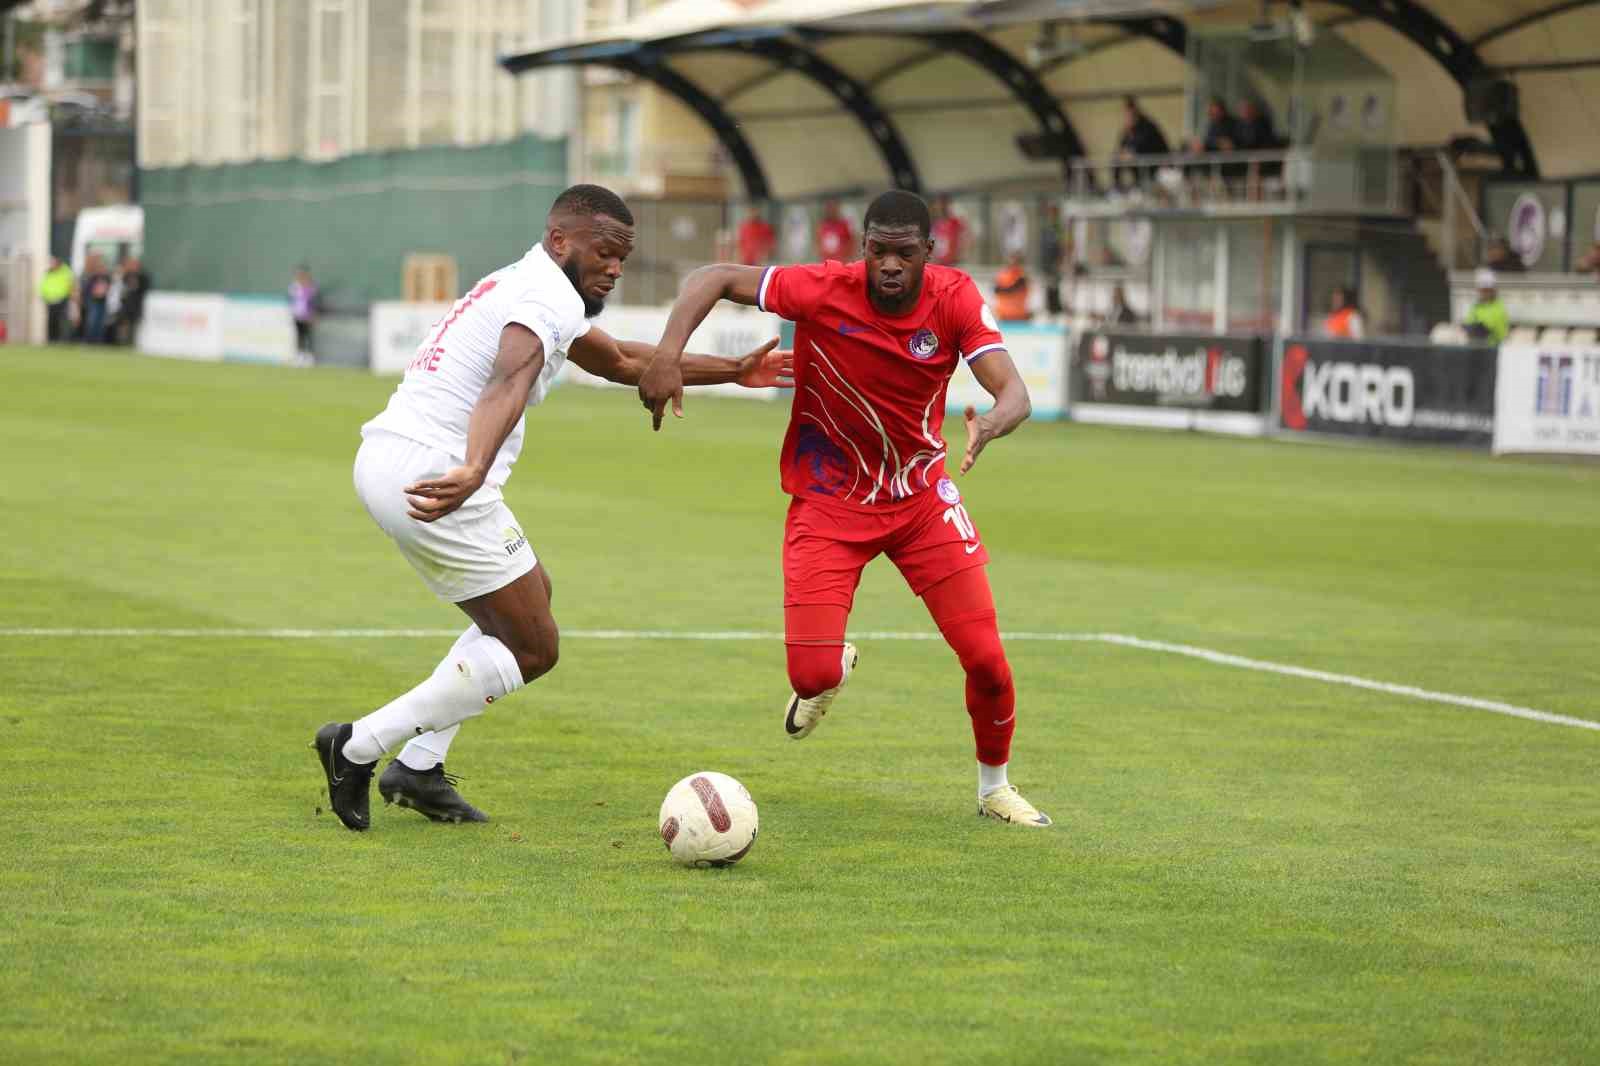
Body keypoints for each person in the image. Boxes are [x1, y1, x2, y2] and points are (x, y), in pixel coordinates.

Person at [311, 184, 793, 831]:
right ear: (561, 239)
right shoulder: (544, 297)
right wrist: (475, 467)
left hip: (391, 458)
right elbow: (509, 377)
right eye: (604, 253)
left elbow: (622, 361)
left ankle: (420, 766)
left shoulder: (533, 283)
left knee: (531, 590)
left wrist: (734, 370)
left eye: (623, 257)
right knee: (535, 648)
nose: (615, 269)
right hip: (439, 474)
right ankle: (358, 746)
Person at [638, 189, 1051, 828]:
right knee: (810, 674)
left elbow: (1013, 389)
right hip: (828, 503)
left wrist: (997, 417)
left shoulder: (955, 298)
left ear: (928, 253)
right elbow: (712, 276)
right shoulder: (821, 288)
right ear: (862, 249)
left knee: (987, 660)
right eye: (878, 251)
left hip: (919, 501)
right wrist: (666, 356)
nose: (889, 265)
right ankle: (831, 672)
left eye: (904, 254)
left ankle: (994, 787)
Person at [1113, 96, 1170, 190]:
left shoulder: (1148, 126)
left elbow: (1142, 145)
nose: (1126, 118)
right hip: (1141, 166)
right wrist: (1122, 153)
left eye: (1128, 114)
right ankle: (1117, 188)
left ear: (1134, 112)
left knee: (1130, 158)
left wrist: (1130, 153)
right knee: (1116, 158)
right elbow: (1122, 147)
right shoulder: (1128, 130)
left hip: (1158, 165)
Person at [1463, 267, 1510, 343]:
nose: (1485, 293)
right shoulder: (1475, 306)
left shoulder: (1499, 307)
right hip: (1476, 346)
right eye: (1482, 290)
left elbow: (1502, 333)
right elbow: (1469, 323)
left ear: (1493, 290)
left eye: (1487, 290)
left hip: (1493, 348)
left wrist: (1487, 329)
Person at [113, 256, 149, 345]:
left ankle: (131, 342)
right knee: (122, 324)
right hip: (125, 305)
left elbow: (142, 289)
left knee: (133, 325)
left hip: (136, 305)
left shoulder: (143, 276)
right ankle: (121, 342)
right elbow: (122, 287)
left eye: (134, 264)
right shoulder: (126, 275)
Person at [1038, 202, 1066, 316]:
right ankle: (1050, 306)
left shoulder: (1059, 227)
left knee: (1055, 283)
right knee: (1049, 283)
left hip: (1055, 259)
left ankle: (1055, 307)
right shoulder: (1046, 226)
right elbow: (1043, 245)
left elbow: (1061, 244)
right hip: (1047, 260)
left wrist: (1060, 259)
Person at [39, 257, 73, 342]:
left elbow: (69, 285)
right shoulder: (48, 273)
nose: (51, 264)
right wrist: (44, 295)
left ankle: (62, 339)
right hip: (50, 300)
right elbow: (43, 285)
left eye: (53, 262)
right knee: (51, 321)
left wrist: (62, 296)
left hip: (62, 300)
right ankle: (51, 339)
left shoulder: (66, 272)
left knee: (61, 320)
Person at [79, 254, 112, 343]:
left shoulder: (106, 276)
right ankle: (89, 340)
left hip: (103, 301)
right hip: (93, 301)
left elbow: (108, 287)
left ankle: (98, 340)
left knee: (100, 322)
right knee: (92, 321)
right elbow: (86, 288)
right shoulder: (91, 276)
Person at [289, 266, 318, 364]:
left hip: (307, 315)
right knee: (299, 336)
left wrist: (312, 314)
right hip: (298, 315)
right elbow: (292, 300)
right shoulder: (295, 286)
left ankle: (308, 357)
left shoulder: (310, 288)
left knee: (308, 336)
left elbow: (312, 302)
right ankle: (299, 356)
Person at [992, 253, 1030, 322]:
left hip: (1019, 317)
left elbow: (1009, 289)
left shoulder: (1022, 278)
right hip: (1004, 316)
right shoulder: (1002, 275)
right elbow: (997, 290)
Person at [930, 195, 966, 267]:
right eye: (939, 205)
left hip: (952, 262)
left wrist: (960, 253)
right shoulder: (935, 223)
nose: (941, 208)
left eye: (944, 205)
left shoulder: (955, 222)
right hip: (938, 261)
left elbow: (965, 238)